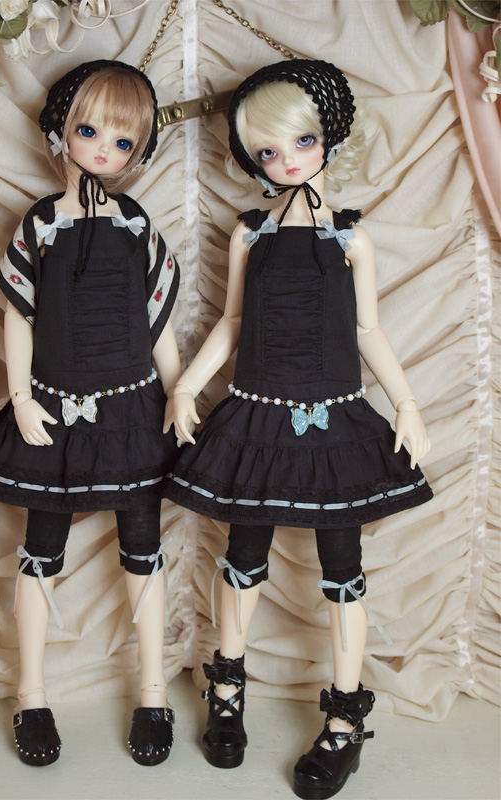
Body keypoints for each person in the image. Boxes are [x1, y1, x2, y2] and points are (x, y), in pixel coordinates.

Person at [165, 59, 432, 799]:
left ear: (328, 139)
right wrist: (185, 384)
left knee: (342, 570)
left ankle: (344, 721)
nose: (285, 161)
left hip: (334, 419)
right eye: (268, 150)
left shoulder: (351, 237)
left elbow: (369, 330)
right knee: (242, 557)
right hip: (256, 418)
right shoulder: (249, 233)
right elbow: (232, 321)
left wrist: (407, 404)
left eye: (300, 142)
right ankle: (227, 690)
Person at [0, 60, 182, 768]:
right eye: (89, 132)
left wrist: (180, 394)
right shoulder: (41, 222)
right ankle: (30, 693)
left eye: (122, 142)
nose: (102, 152)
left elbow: (157, 321)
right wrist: (21, 397)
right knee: (41, 550)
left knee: (143, 549)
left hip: (133, 411)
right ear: (60, 131)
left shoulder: (135, 222)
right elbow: (18, 314)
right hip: (53, 410)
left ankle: (153, 692)